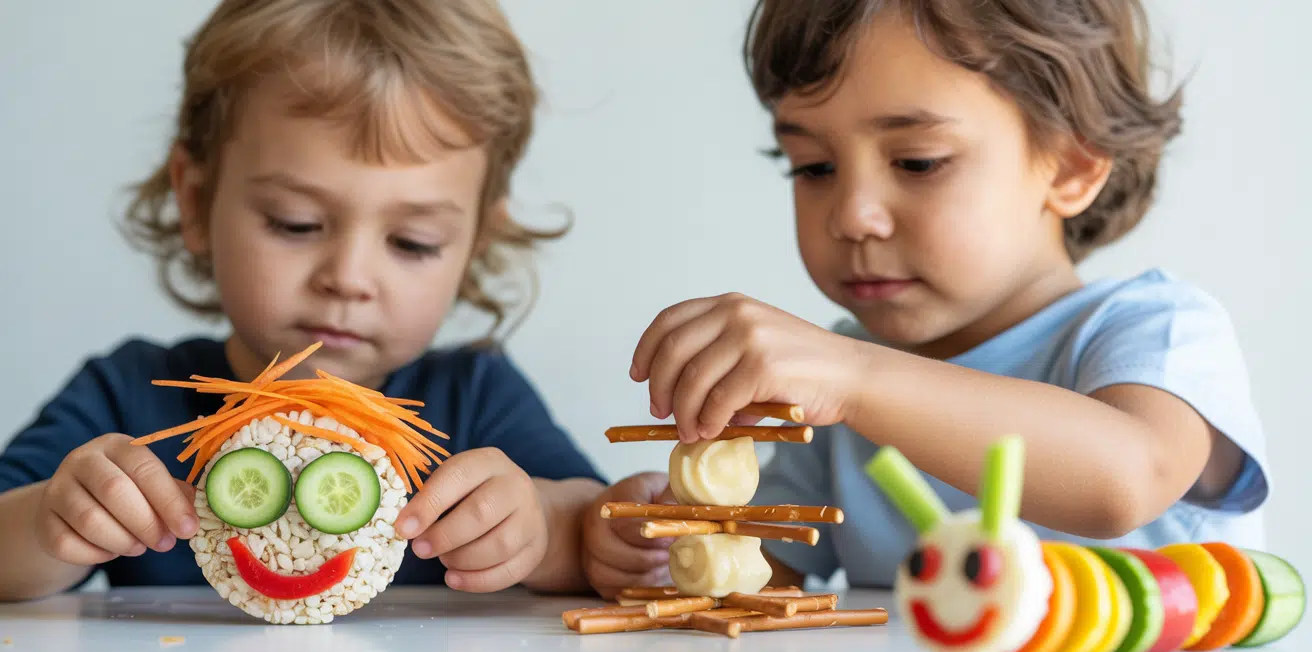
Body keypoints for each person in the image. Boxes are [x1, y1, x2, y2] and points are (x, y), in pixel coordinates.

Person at [584, 0, 1268, 595]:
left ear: (1070, 166)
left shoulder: (1158, 330)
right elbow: (762, 568)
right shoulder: (841, 384)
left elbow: (1126, 477)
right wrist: (666, 542)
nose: (851, 215)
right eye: (812, 167)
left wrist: (854, 379)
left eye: (917, 161)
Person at [0, 0, 603, 601]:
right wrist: (49, 523)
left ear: (474, 244)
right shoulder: (128, 395)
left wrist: (543, 528)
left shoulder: (477, 397)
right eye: (296, 224)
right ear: (194, 202)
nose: (348, 277)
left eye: (412, 242)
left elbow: (604, 536)